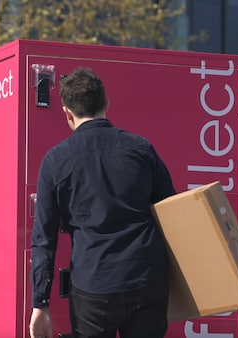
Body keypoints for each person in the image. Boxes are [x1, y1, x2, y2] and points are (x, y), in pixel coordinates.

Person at [29, 67, 176, 338]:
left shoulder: (55, 161)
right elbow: (173, 211)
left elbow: (43, 239)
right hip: (146, 280)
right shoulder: (141, 149)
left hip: (93, 287)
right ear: (106, 104)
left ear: (67, 112)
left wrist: (40, 302)